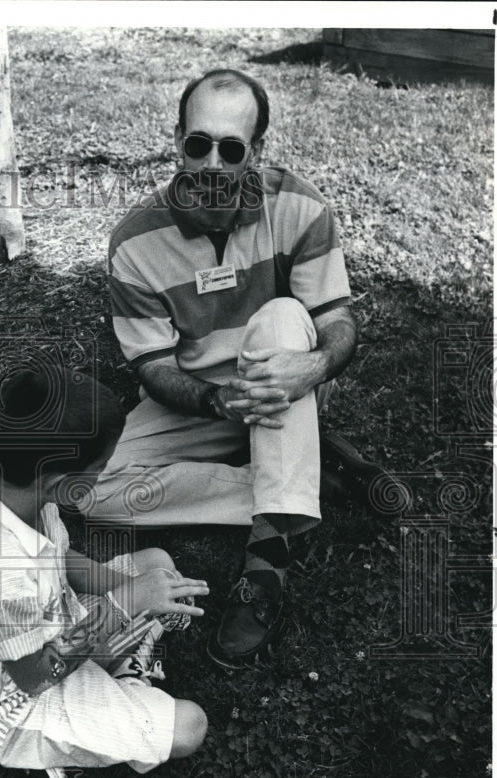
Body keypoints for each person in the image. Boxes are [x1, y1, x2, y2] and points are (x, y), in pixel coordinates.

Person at [86, 69, 384, 669]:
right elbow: (153, 367)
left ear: (258, 150)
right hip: (196, 401)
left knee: (279, 317)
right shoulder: (135, 242)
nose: (213, 163)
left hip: (283, 387)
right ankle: (301, 478)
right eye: (198, 144)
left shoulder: (299, 207)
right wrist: (219, 403)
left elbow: (336, 321)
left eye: (231, 148)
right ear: (176, 141)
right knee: (90, 494)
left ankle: (265, 566)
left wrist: (315, 366)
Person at [0, 368, 209, 778]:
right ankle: (121, 681)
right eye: (101, 468)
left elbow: (60, 558)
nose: (103, 475)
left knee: (155, 562)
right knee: (189, 726)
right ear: (60, 483)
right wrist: (126, 604)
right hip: (12, 702)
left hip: (51, 625)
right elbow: (35, 675)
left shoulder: (12, 489)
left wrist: (133, 587)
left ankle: (115, 670)